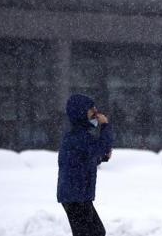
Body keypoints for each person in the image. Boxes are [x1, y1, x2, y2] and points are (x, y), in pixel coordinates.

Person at [57, 94, 113, 236]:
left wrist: (102, 157)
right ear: (81, 112)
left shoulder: (80, 136)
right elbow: (100, 148)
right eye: (91, 109)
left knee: (97, 232)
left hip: (79, 196)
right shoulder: (77, 137)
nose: (96, 112)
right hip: (75, 197)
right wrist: (105, 125)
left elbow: (85, 159)